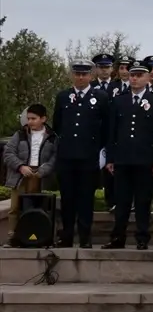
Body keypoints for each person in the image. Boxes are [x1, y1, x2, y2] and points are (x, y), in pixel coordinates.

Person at [105, 59, 153, 250]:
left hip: (145, 160)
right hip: (123, 159)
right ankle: (118, 238)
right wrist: (110, 158)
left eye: (139, 75)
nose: (134, 79)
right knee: (122, 201)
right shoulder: (119, 100)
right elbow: (112, 131)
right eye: (132, 75)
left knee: (143, 201)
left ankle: (142, 238)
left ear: (148, 77)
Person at [53, 60, 109, 248]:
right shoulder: (63, 97)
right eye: (77, 74)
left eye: (84, 74)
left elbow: (106, 128)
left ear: (91, 76)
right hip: (67, 157)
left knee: (86, 199)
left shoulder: (100, 97)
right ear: (72, 75)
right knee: (67, 198)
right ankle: (66, 235)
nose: (80, 77)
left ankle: (85, 237)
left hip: (89, 156)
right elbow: (58, 125)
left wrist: (102, 153)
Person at [4, 104, 57, 241]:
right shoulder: (20, 134)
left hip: (40, 175)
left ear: (43, 118)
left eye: (33, 118)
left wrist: (43, 170)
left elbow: (55, 158)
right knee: (15, 207)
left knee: (36, 207)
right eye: (28, 118)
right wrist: (21, 166)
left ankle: (36, 236)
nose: (30, 122)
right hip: (21, 174)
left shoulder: (52, 137)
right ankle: (13, 236)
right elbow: (8, 153)